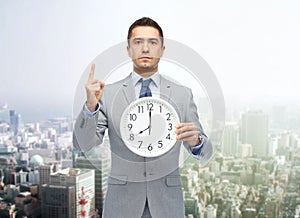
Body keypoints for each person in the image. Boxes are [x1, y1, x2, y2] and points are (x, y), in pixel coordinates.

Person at [74, 17, 213, 218]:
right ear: (128, 49)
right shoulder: (108, 94)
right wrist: (90, 106)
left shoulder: (182, 94)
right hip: (121, 206)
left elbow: (206, 154)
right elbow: (82, 144)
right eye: (138, 42)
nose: (145, 49)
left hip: (167, 205)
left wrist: (197, 141)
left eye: (152, 43)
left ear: (162, 50)